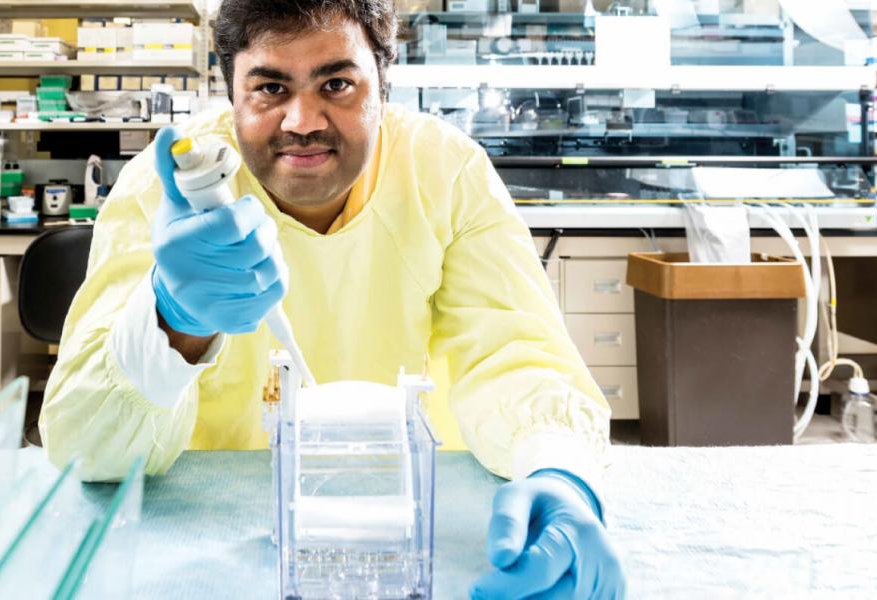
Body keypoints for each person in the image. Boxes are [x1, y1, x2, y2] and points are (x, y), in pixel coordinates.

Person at [39, 1, 625, 597]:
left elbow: (515, 354)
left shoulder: (444, 171)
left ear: (382, 85)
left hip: (400, 524)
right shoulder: (166, 189)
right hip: (204, 541)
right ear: (231, 93)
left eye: (337, 84)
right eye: (270, 87)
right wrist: (172, 321)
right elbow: (88, 450)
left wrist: (559, 471)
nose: (302, 120)